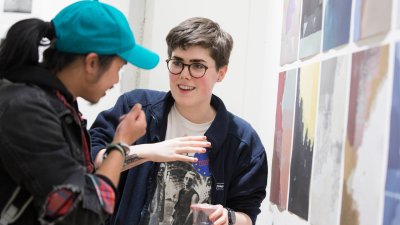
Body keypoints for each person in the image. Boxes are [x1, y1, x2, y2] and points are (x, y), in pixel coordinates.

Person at [0, 1, 208, 225]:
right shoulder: (27, 112)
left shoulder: (52, 104)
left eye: (198, 66)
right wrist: (120, 143)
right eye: (119, 68)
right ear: (91, 63)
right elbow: (83, 212)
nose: (117, 80)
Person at [90, 17, 269, 225]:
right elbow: (94, 161)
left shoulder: (242, 141)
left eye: (197, 66)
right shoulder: (136, 108)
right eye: (177, 63)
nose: (184, 75)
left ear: (221, 73)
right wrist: (150, 152)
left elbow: (247, 215)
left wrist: (228, 217)